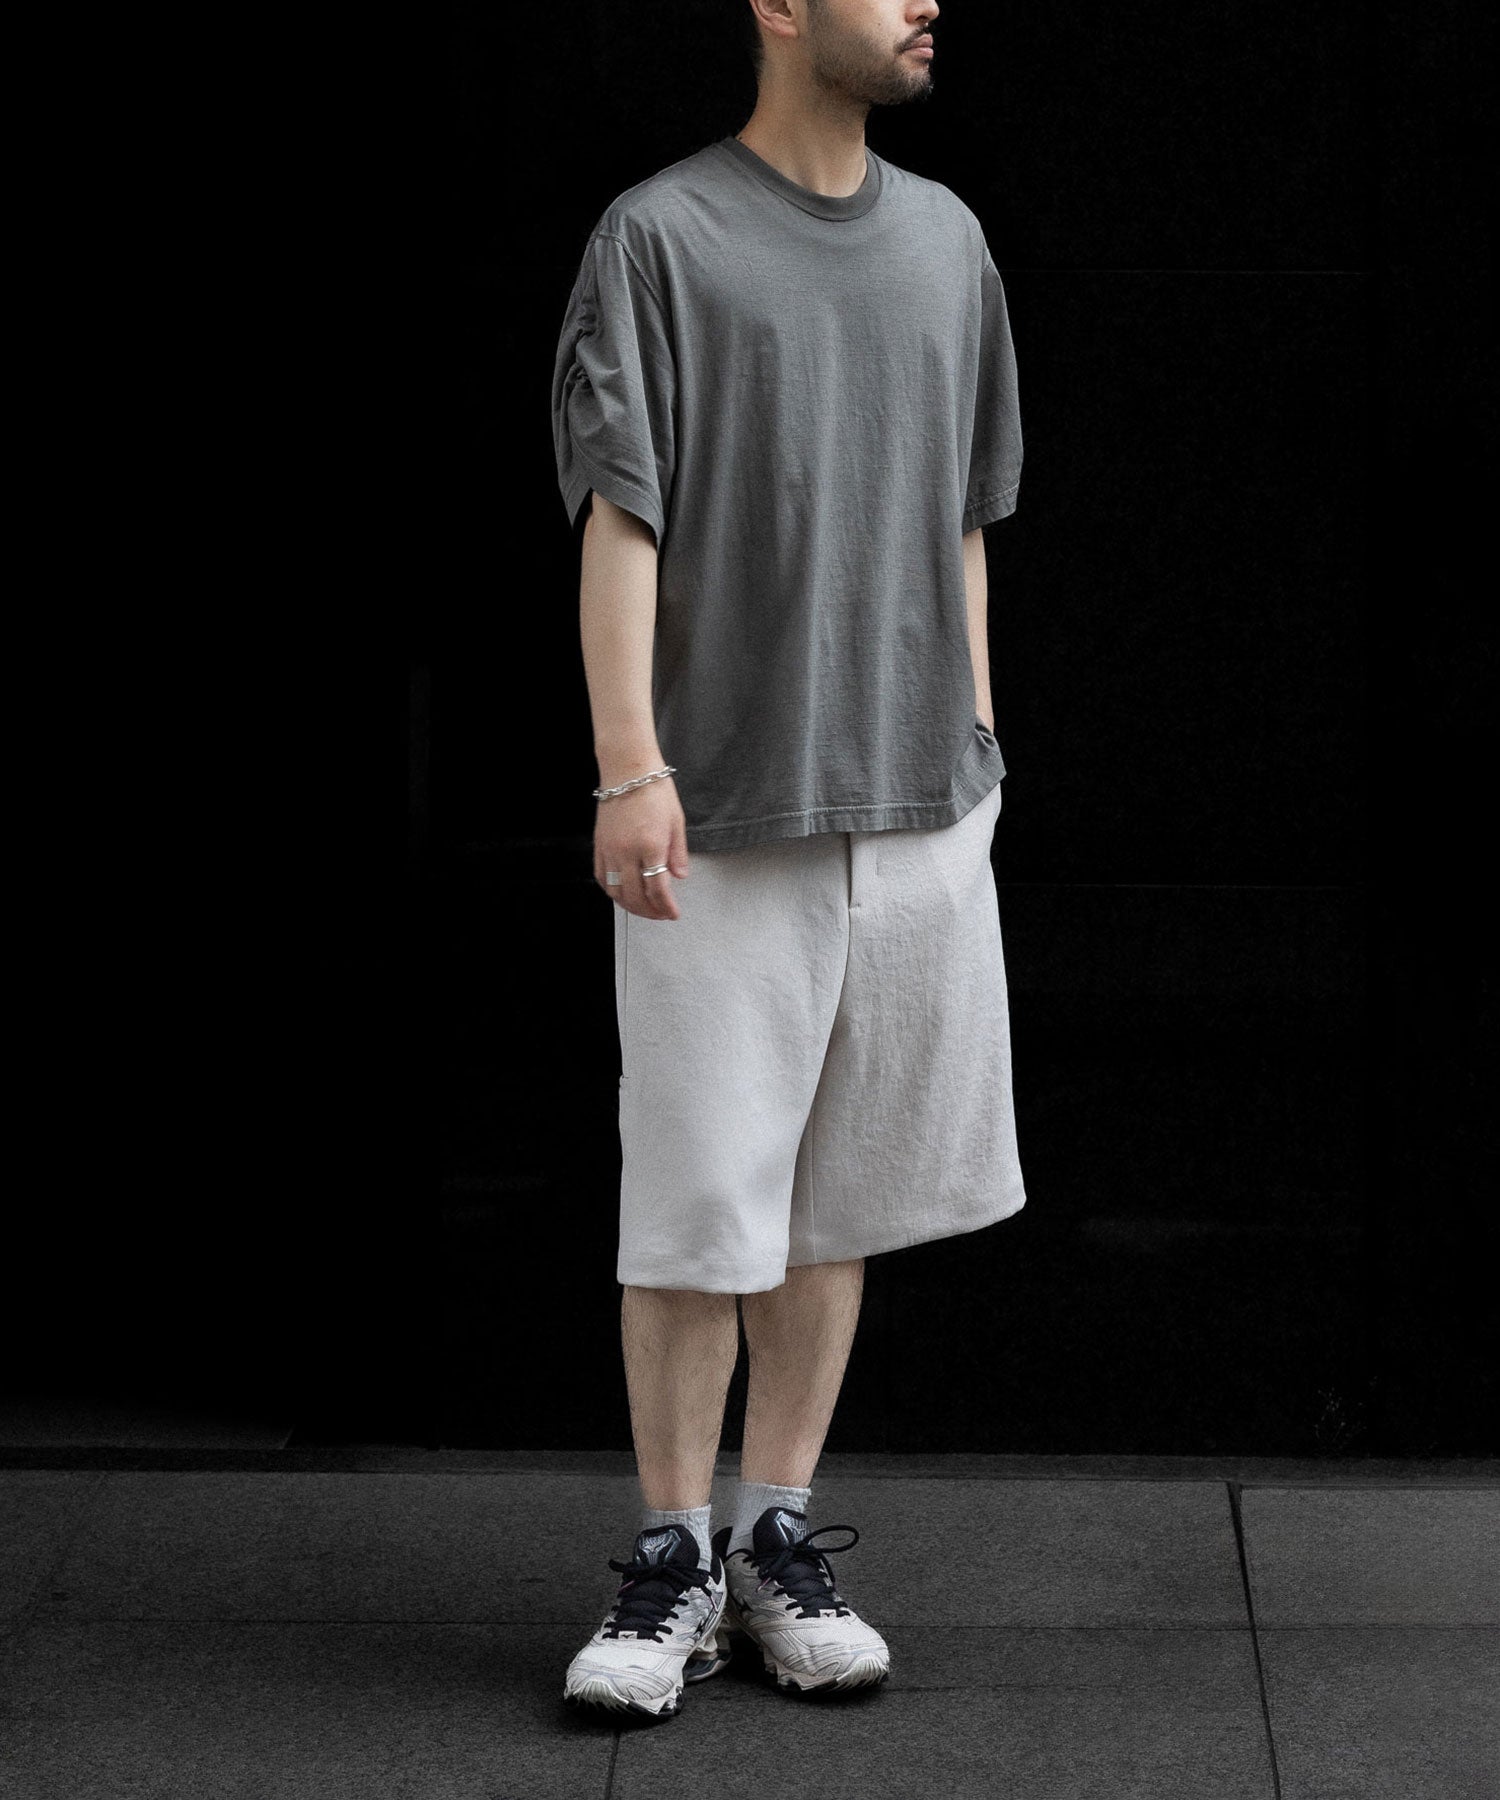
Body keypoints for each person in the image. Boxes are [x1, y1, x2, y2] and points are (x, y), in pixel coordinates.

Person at [550, 0, 1025, 1724]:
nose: (924, 2)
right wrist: (629, 767)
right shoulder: (661, 236)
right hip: (719, 807)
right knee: (696, 1202)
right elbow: (622, 508)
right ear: (774, 5)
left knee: (839, 1200)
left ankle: (774, 1539)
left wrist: (976, 742)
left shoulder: (949, 241)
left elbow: (965, 514)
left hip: (916, 804)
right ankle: (668, 1562)